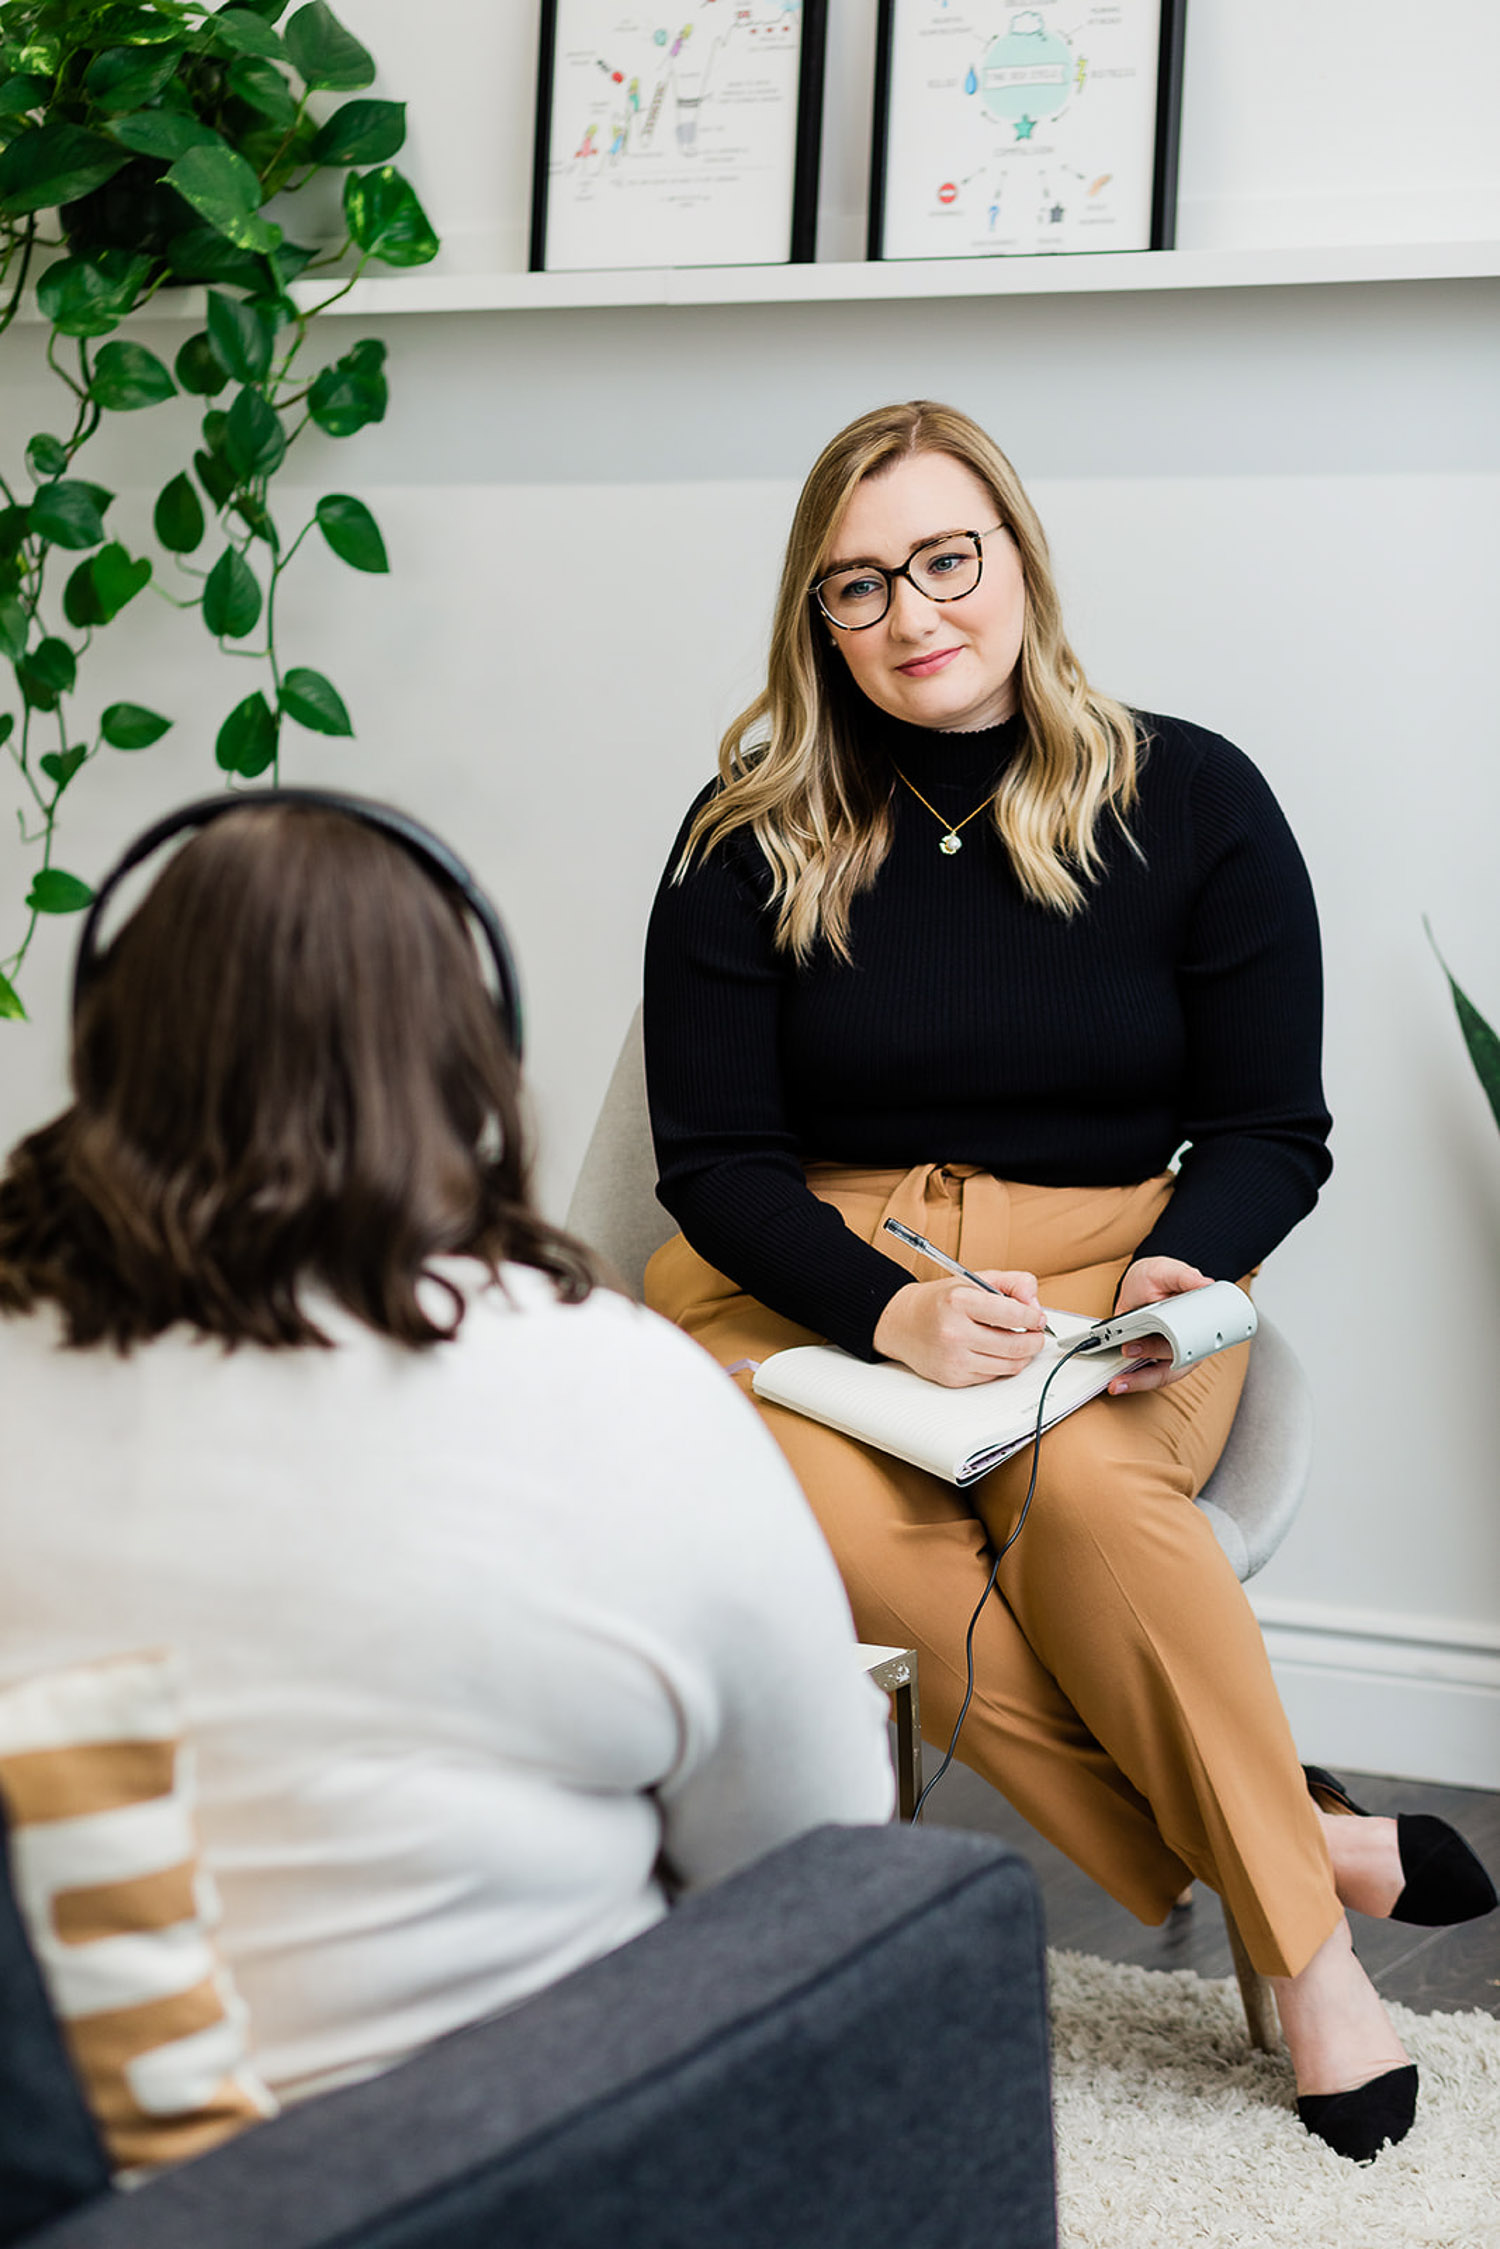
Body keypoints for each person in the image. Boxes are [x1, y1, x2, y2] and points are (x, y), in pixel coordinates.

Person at [641, 400, 1496, 2162]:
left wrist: (1182, 1274)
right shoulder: (748, 829)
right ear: (816, 619)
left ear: (1018, 558)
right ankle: (1312, 1889)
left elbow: (1272, 1124)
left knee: (1097, 1497)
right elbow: (712, 1164)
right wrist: (888, 1307)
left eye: (946, 559)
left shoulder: (1191, 795)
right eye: (857, 585)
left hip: (1117, 1259)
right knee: (866, 1543)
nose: (912, 613)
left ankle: (1292, 1915)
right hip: (816, 1273)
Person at [0, 798, 894, 2114]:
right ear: (472, 1065)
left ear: (111, 1048)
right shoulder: (619, 1383)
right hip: (504, 2173)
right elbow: (814, 1862)